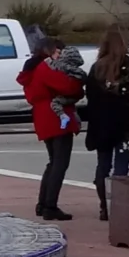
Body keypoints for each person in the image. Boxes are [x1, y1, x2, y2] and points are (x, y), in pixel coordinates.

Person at [24, 41, 86, 222]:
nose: (61, 55)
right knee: (60, 162)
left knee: (53, 162)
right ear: (51, 51)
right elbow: (69, 87)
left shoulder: (39, 69)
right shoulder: (49, 68)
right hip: (56, 117)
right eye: (59, 51)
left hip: (44, 116)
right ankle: (49, 206)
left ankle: (43, 203)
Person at [82, 29, 129, 221]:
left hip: (102, 125)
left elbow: (90, 97)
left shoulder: (97, 68)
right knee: (121, 168)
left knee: (103, 166)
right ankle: (118, 206)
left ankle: (104, 206)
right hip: (125, 124)